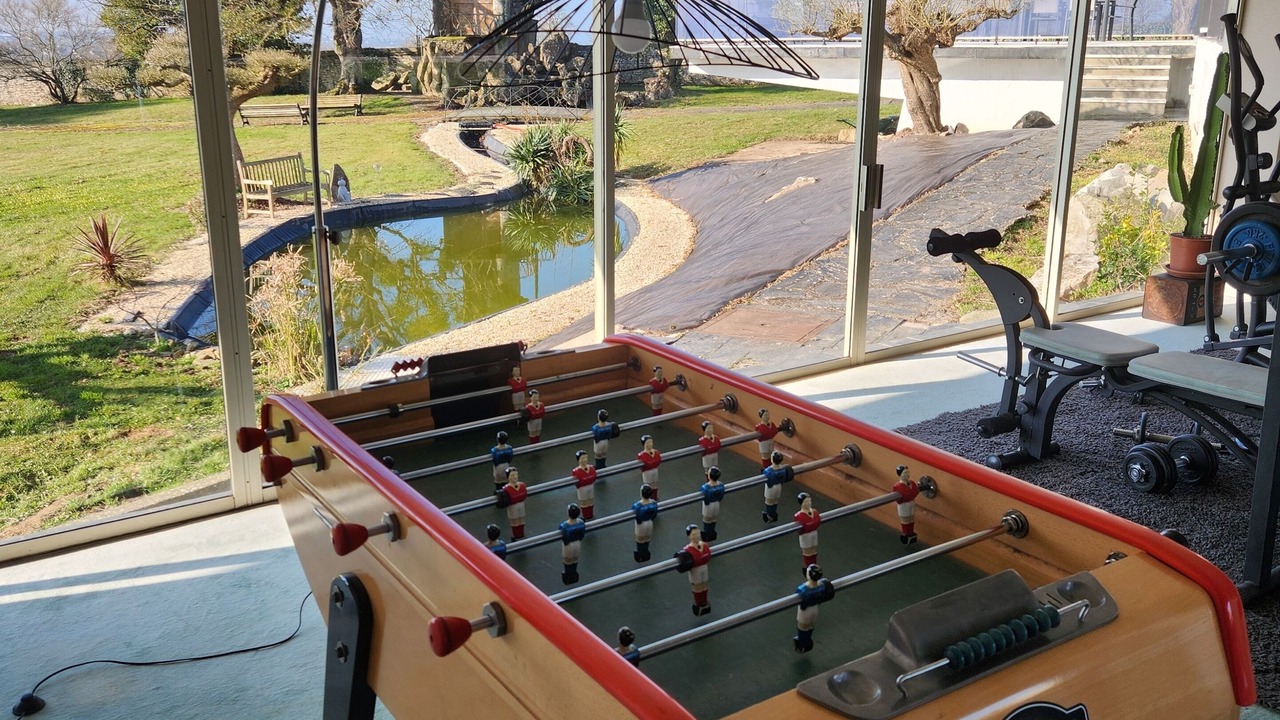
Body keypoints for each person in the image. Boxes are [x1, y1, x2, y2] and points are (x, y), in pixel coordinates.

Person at [793, 563, 835, 653]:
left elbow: (801, 599)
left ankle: (803, 643)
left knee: (803, 627)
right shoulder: (821, 586)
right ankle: (808, 640)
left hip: (805, 613)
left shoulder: (803, 590)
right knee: (811, 626)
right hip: (815, 610)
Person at [675, 524, 712, 616]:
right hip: (695, 570)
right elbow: (703, 557)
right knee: (698, 587)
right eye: (694, 534)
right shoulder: (687, 549)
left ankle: (704, 602)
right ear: (689, 536)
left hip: (703, 568)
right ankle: (699, 603)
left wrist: (700, 559)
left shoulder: (704, 545)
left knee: (704, 585)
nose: (696, 536)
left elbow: (706, 555)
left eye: (698, 533)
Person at [494, 467, 528, 540]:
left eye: (516, 475)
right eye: (512, 475)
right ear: (508, 477)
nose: (515, 477)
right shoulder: (506, 488)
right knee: (515, 521)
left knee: (521, 520)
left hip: (521, 505)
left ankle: (521, 534)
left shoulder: (522, 485)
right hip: (513, 507)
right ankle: (516, 535)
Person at [761, 450, 793, 523]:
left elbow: (765, 476)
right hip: (778, 487)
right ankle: (773, 514)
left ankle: (769, 516)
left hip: (771, 488)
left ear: (772, 459)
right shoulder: (783, 469)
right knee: (775, 501)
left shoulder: (768, 471)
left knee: (769, 502)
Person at [559, 504, 587, 585]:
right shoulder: (581, 523)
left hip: (568, 546)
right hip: (577, 543)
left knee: (568, 561)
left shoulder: (564, 526)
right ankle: (574, 573)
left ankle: (568, 575)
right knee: (575, 559)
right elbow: (582, 535)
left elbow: (563, 536)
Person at [893, 464, 920, 545]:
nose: (907, 475)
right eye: (904, 473)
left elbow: (915, 491)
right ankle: (906, 534)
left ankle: (911, 533)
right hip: (904, 505)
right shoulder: (897, 486)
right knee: (905, 520)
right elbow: (898, 499)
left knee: (911, 519)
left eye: (908, 472)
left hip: (911, 503)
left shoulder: (912, 483)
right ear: (900, 475)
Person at [631, 483, 658, 562]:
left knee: (640, 540)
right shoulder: (654, 503)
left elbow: (637, 516)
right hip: (650, 523)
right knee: (647, 539)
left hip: (641, 524)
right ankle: (646, 552)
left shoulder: (637, 506)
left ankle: (640, 554)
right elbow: (654, 515)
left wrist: (639, 522)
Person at [795, 492, 821, 570]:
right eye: (806, 502)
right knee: (808, 552)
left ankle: (814, 565)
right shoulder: (799, 516)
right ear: (802, 503)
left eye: (809, 501)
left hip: (813, 533)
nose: (809, 503)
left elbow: (817, 521)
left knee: (814, 550)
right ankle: (809, 568)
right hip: (805, 536)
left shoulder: (814, 512)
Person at [699, 466, 725, 541]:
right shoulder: (721, 485)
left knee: (707, 520)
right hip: (716, 504)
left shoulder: (705, 487)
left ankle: (707, 535)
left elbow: (705, 497)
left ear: (709, 476)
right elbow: (721, 496)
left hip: (708, 505)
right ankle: (712, 532)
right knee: (714, 519)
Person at [571, 449, 597, 520]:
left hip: (590, 486)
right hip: (582, 489)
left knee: (590, 501)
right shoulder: (576, 471)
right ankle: (586, 516)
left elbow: (594, 476)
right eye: (582, 458)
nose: (585, 460)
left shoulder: (591, 468)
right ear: (578, 460)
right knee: (584, 502)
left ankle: (591, 515)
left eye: (586, 457)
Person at [637, 434, 662, 499]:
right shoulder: (642, 455)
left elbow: (658, 460)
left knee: (655, 484)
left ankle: (655, 497)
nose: (650, 444)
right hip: (647, 472)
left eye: (651, 442)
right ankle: (649, 498)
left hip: (654, 470)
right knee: (649, 485)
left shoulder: (656, 452)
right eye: (648, 443)